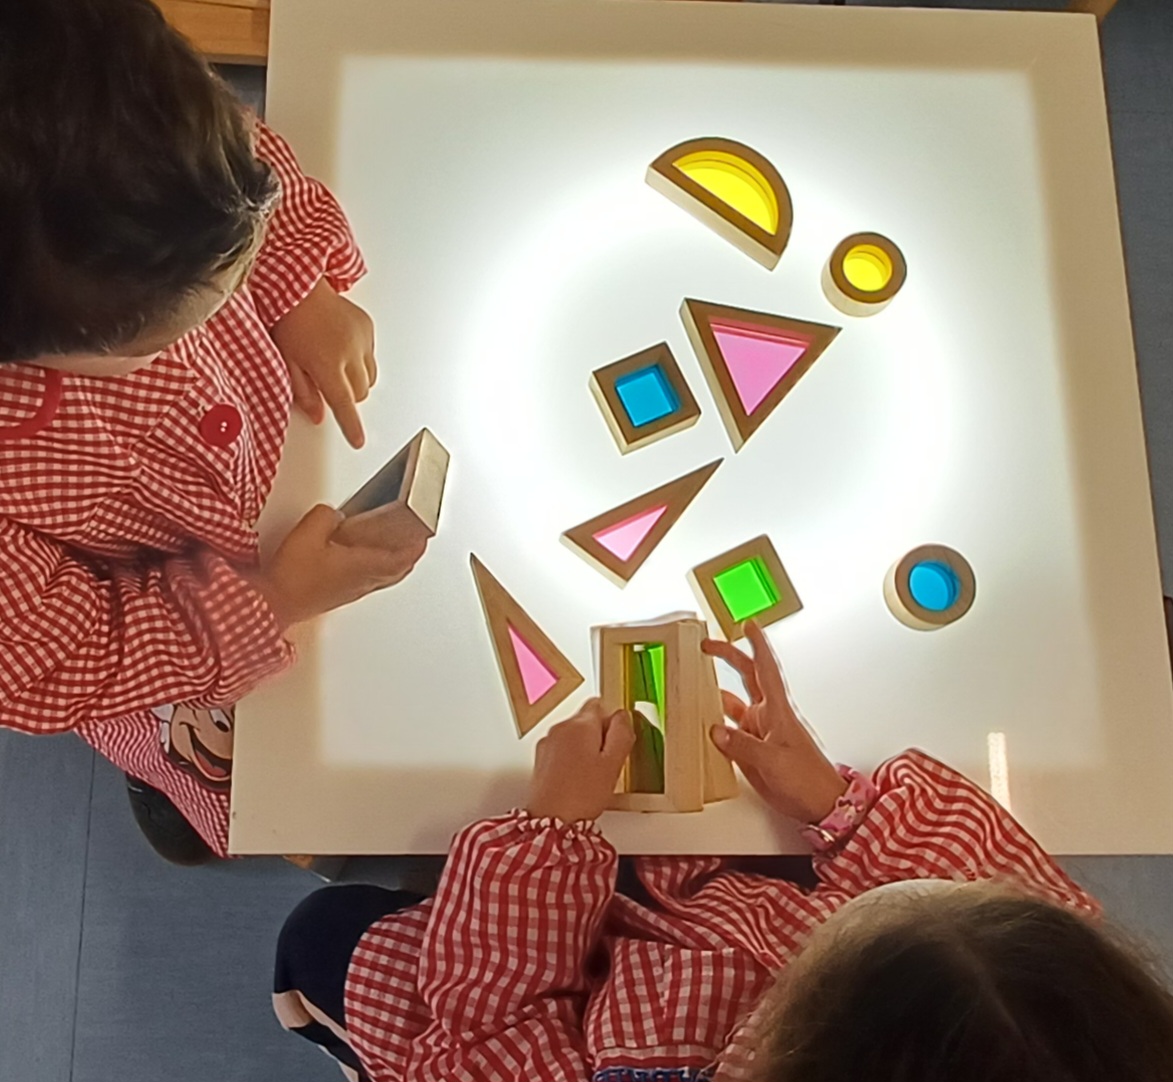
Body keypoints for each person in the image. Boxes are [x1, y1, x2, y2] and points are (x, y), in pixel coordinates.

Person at [273, 621, 1173, 1082]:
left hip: (570, 1000)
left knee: (319, 932)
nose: (919, 886)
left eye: (864, 921)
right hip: (702, 914)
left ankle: (344, 1041)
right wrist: (836, 806)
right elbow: (985, 881)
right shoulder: (1047, 1007)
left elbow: (487, 1029)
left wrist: (548, 831)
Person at [0, 0, 425, 865]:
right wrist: (270, 602)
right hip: (171, 620)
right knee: (237, 780)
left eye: (234, 264)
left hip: (279, 499)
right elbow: (58, 657)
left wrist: (296, 285)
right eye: (157, 338)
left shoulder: (126, 115)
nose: (226, 299)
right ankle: (171, 788)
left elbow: (246, 157)